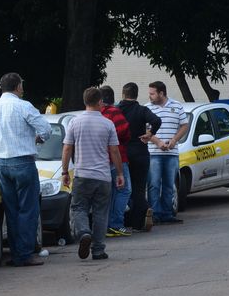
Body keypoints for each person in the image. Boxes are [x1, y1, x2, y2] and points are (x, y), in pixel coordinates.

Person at [0, 73, 51, 267]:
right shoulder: (23, 106)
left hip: (1, 164)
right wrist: (37, 139)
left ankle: (16, 252)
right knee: (28, 209)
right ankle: (24, 254)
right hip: (23, 162)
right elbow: (46, 129)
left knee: (11, 210)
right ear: (18, 86)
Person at [62, 88, 124, 261]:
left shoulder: (75, 122)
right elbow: (114, 151)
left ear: (84, 102)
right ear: (99, 102)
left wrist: (65, 171)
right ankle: (98, 250)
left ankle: (83, 233)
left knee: (78, 208)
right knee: (100, 213)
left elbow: (67, 148)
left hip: (82, 175)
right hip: (103, 176)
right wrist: (120, 173)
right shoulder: (108, 123)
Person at [117, 82, 161, 231]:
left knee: (121, 189)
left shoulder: (116, 110)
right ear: (136, 95)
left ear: (123, 94)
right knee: (139, 188)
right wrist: (150, 133)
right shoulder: (142, 110)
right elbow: (156, 120)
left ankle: (121, 221)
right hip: (140, 153)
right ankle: (138, 221)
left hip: (121, 154)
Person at [145, 81, 189, 224]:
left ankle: (167, 214)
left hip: (171, 153)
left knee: (169, 184)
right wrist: (158, 142)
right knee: (154, 184)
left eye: (152, 93)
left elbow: (184, 125)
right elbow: (144, 130)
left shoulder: (176, 106)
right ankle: (155, 214)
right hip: (153, 153)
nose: (150, 96)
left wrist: (175, 140)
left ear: (161, 93)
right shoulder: (147, 108)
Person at [98, 87, 132, 237]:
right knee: (124, 190)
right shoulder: (114, 113)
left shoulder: (94, 114)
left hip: (100, 159)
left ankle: (105, 226)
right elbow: (125, 133)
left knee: (109, 193)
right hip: (117, 157)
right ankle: (116, 224)